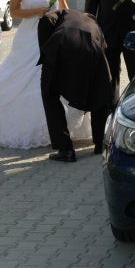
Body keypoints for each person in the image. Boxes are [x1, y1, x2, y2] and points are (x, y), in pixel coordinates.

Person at [0, 0, 91, 149]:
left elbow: (64, 7)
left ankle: (61, 130)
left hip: (54, 34)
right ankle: (30, 129)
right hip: (30, 35)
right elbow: (14, 11)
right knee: (29, 76)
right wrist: (36, 11)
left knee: (57, 75)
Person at [38, 9, 113, 162]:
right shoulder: (93, 24)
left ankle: (65, 149)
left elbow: (45, 29)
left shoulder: (56, 15)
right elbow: (104, 48)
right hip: (93, 49)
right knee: (100, 94)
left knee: (49, 93)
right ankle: (101, 144)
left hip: (62, 43)